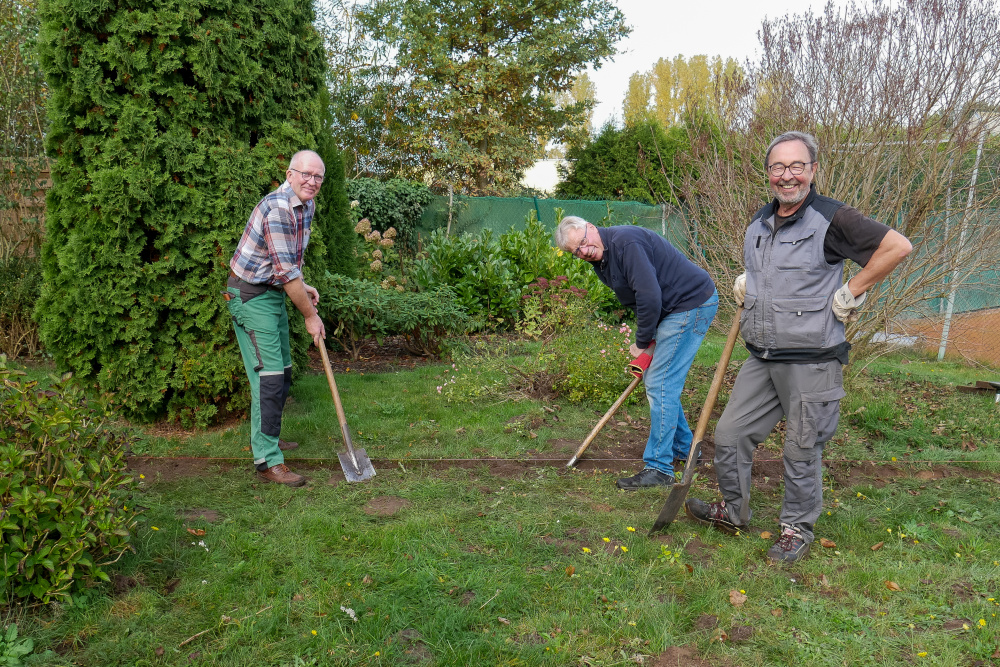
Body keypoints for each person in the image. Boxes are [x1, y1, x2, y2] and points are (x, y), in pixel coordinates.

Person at [684, 131, 913, 563]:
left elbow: (897, 247)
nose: (786, 175)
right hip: (762, 356)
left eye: (796, 166)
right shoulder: (759, 221)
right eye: (778, 167)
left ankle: (795, 529)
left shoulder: (832, 218)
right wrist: (749, 282)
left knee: (801, 449)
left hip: (812, 360)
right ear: (768, 173)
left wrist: (853, 290)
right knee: (730, 435)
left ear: (812, 170)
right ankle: (733, 511)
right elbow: (772, 273)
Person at [554, 216, 718, 489]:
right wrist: (651, 336)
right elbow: (635, 299)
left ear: (591, 228)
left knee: (660, 383)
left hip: (690, 303)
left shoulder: (625, 243)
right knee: (659, 381)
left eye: (583, 242)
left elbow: (649, 295)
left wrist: (642, 342)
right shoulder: (602, 261)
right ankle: (685, 449)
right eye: (576, 251)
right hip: (670, 309)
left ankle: (660, 468)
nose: (584, 251)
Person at [224, 150, 327, 487]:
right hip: (251, 295)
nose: (312, 181)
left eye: (318, 176)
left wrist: (302, 284)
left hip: (272, 290)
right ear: (290, 174)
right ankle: (268, 460)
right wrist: (310, 317)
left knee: (282, 372)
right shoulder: (279, 209)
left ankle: (269, 436)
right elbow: (285, 271)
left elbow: (288, 262)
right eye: (305, 174)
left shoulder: (306, 206)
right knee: (268, 377)